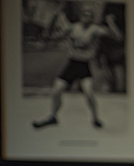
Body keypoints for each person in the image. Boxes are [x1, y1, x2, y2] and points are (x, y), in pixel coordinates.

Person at [32, 2, 122, 130]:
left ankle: (95, 118)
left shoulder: (95, 29)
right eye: (84, 14)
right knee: (56, 91)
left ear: (92, 17)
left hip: (84, 66)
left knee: (89, 93)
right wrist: (54, 18)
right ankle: (53, 117)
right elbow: (51, 37)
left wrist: (111, 23)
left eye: (89, 15)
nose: (86, 17)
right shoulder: (72, 28)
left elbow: (117, 37)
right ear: (80, 16)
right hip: (72, 64)